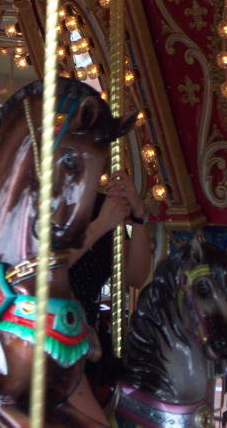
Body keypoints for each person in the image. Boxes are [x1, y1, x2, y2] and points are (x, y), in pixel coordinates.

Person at [67, 169, 151, 426]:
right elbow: (43, 268)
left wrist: (138, 217)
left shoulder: (102, 206)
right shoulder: (45, 203)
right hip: (46, 323)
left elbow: (136, 276)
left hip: (88, 330)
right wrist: (100, 225)